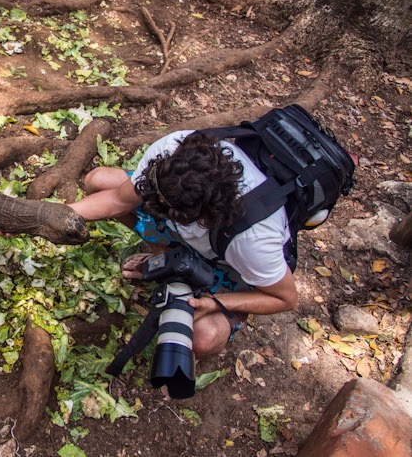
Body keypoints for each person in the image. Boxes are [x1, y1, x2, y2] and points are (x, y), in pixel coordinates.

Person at [68, 130, 298, 358]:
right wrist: (49, 216)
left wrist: (216, 303)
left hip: (230, 263)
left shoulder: (252, 241)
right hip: (197, 230)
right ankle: (167, 258)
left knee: (202, 338)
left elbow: (285, 299)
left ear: (201, 218)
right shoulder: (173, 151)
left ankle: (198, 280)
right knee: (98, 181)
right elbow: (118, 200)